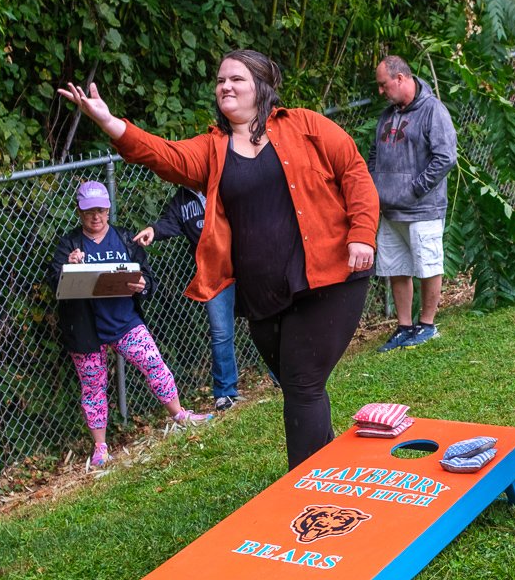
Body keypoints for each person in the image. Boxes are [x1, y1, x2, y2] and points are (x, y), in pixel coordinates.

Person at [58, 50, 379, 470]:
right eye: (220, 80)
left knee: (301, 381)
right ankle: (328, 459)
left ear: (262, 87)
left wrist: (362, 235)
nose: (225, 86)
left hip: (331, 276)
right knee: (298, 383)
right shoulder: (214, 148)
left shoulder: (305, 125)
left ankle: (308, 486)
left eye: (236, 79)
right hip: (263, 295)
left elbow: (354, 172)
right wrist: (108, 122)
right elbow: (163, 155)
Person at [50, 181, 212, 471]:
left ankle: (179, 415)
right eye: (89, 212)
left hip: (124, 322)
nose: (95, 217)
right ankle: (100, 448)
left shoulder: (125, 239)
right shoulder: (70, 244)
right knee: (93, 387)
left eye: (100, 210)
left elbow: (148, 278)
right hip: (86, 329)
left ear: (109, 209)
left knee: (153, 362)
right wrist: (69, 266)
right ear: (79, 212)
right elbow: (55, 284)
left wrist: (142, 285)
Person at [368, 55, 458, 352]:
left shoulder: (433, 111)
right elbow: (374, 155)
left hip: (423, 208)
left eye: (384, 85)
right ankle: (404, 326)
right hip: (390, 209)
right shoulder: (387, 115)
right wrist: (373, 185)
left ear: (401, 79)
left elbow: (445, 157)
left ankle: (428, 324)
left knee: (428, 265)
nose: (381, 91)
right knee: (397, 267)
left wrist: (414, 189)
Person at [134, 187, 241, 411]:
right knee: (221, 332)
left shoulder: (223, 179)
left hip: (247, 260)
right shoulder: (182, 199)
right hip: (214, 273)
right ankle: (225, 393)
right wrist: (153, 230)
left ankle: (280, 375)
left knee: (266, 316)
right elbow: (170, 222)